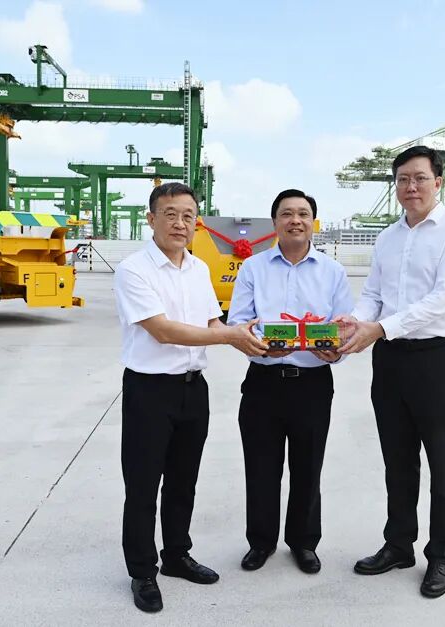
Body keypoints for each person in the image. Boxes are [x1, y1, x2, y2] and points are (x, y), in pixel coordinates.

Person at [114, 182, 268, 613]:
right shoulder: (133, 270)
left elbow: (212, 323)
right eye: (170, 214)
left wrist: (248, 337)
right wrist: (229, 337)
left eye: (188, 216)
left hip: (192, 389)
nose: (180, 223)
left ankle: (176, 555)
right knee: (143, 485)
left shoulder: (198, 269)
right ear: (151, 219)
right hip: (149, 390)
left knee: (184, 481)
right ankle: (142, 571)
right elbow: (163, 331)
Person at [335, 146, 445, 598]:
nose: (410, 187)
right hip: (391, 358)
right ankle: (398, 545)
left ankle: (441, 555)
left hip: (439, 358)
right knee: (397, 458)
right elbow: (374, 294)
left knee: (442, 459)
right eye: (402, 179)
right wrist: (356, 321)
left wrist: (379, 328)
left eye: (419, 178)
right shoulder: (388, 237)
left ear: (438, 182)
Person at [227, 189, 353, 575]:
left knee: (307, 468)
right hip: (263, 381)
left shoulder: (333, 271)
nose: (295, 220)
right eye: (286, 214)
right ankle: (261, 542)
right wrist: (258, 346)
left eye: (302, 214)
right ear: (275, 222)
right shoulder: (253, 268)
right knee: (261, 467)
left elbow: (344, 326)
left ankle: (304, 542)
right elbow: (238, 322)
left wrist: (336, 351)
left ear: (313, 222)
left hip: (312, 384)